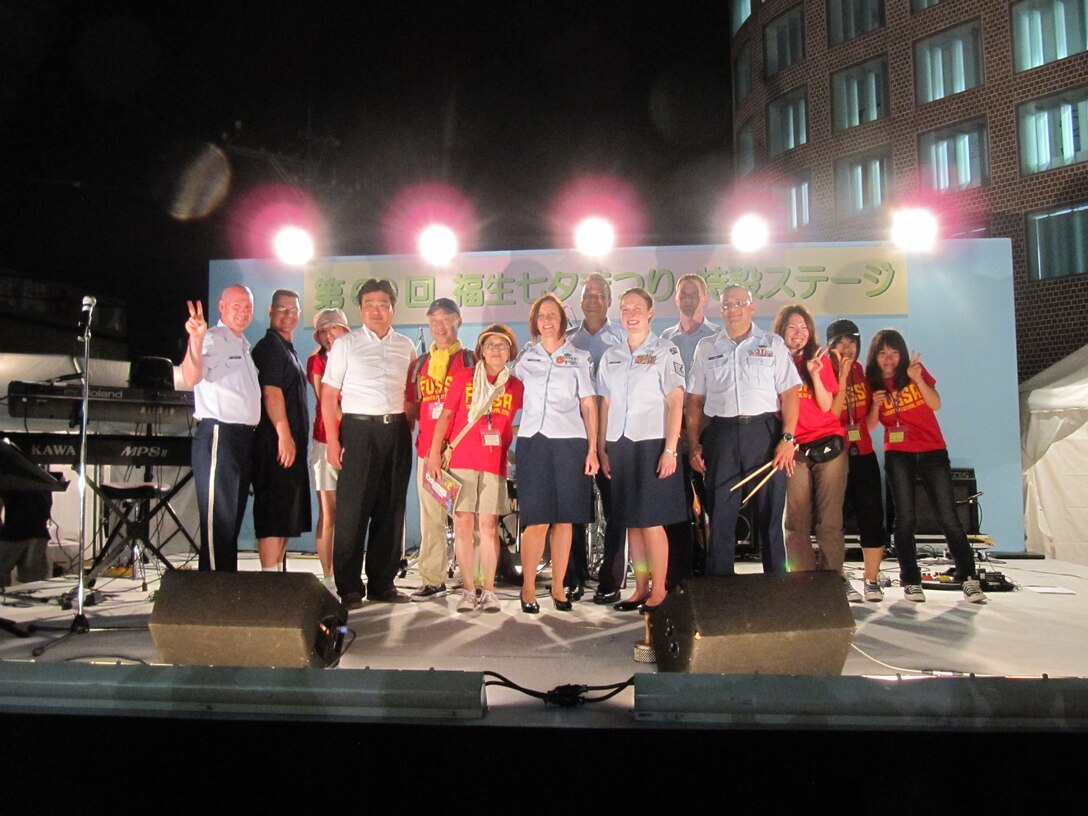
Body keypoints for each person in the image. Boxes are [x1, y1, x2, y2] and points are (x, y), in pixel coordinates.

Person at [685, 285, 800, 575]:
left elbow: (790, 395)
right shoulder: (707, 347)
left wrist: (787, 438)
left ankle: (777, 592)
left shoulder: (772, 344)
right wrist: (695, 444)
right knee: (721, 519)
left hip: (764, 434)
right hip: (721, 436)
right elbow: (695, 402)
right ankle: (721, 594)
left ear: (752, 307)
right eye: (726, 304)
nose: (732, 309)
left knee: (770, 520)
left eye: (739, 303)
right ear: (720, 309)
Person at [866, 329, 987, 603]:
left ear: (902, 354)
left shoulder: (914, 371)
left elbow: (936, 403)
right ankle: (911, 581)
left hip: (932, 450)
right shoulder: (871, 382)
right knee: (905, 518)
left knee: (948, 517)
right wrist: (874, 406)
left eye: (894, 352)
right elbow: (871, 426)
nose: (889, 358)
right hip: (898, 453)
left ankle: (969, 578)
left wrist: (918, 378)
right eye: (883, 353)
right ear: (875, 355)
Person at [321, 279, 416, 608]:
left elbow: (411, 393)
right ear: (360, 309)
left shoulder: (405, 345)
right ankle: (348, 587)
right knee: (352, 511)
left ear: (393, 308)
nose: (377, 310)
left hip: (396, 431)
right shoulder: (346, 345)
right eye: (370, 304)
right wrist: (334, 442)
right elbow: (329, 393)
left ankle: (382, 582)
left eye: (383, 304)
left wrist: (409, 425)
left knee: (391, 510)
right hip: (359, 431)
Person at [598, 288, 686, 613]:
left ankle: (659, 589)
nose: (630, 313)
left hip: (652, 443)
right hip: (619, 444)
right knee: (631, 521)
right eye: (625, 309)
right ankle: (640, 586)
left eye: (637, 308)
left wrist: (671, 450)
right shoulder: (612, 355)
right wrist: (602, 448)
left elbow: (676, 401)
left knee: (651, 521)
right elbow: (605, 403)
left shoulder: (666, 350)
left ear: (650, 313)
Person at [426, 325, 523, 614]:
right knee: (463, 526)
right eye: (490, 345)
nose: (496, 350)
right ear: (480, 350)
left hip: (494, 464)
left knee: (489, 528)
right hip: (461, 461)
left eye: (502, 345)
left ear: (510, 351)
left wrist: (510, 435)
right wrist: (433, 455)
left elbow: (519, 421)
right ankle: (469, 589)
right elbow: (444, 417)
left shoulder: (515, 385)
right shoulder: (464, 377)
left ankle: (489, 590)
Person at [513, 293, 598, 613]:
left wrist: (592, 449)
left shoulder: (579, 357)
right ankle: (529, 588)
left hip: (570, 444)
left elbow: (589, 404)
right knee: (536, 521)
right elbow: (507, 395)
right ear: (535, 323)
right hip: (534, 444)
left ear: (562, 320)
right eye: (541, 316)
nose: (547, 320)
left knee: (565, 521)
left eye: (552, 315)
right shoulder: (526, 358)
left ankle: (560, 587)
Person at [773, 304, 853, 599]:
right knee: (795, 522)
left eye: (804, 328)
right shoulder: (772, 359)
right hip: (793, 449)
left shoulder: (820, 358)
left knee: (829, 520)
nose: (798, 334)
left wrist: (815, 374)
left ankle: (832, 583)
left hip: (828, 445)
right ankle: (803, 585)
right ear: (781, 330)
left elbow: (825, 406)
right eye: (792, 327)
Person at [182, 285, 261, 572]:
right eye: (237, 306)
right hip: (219, 436)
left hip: (242, 439)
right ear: (221, 307)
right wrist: (195, 339)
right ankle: (215, 595)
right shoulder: (212, 338)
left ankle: (224, 591)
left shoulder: (241, 343)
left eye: (248, 307)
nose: (243, 312)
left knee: (231, 521)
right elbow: (191, 376)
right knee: (219, 523)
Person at [408, 298, 475, 601]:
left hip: (461, 451)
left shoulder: (472, 360)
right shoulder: (421, 364)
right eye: (433, 320)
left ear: (458, 321)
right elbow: (413, 406)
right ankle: (432, 580)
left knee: (466, 519)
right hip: (429, 453)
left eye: (446, 319)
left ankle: (472, 580)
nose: (439, 325)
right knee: (431, 519)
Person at [566, 273, 627, 603]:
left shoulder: (623, 339)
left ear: (609, 301)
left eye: (599, 294)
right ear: (580, 301)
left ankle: (611, 578)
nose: (592, 299)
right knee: (574, 509)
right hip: (575, 437)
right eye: (587, 294)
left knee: (616, 509)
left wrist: (602, 442)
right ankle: (573, 576)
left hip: (614, 438)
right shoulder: (568, 342)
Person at [660, 273, 718, 583]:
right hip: (674, 434)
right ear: (676, 299)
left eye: (694, 292)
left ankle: (713, 570)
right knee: (678, 508)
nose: (688, 298)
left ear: (705, 297)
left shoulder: (718, 338)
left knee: (713, 504)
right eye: (683, 293)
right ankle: (680, 574)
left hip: (709, 432)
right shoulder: (665, 340)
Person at [251, 289, 312, 571]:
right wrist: (283, 436)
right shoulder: (269, 348)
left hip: (291, 445)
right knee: (273, 512)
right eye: (282, 309)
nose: (288, 315)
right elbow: (271, 393)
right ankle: (268, 580)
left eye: (293, 310)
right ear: (270, 311)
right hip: (275, 444)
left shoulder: (287, 348)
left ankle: (276, 577)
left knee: (286, 512)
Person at [827, 319, 887, 602]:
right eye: (840, 343)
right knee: (834, 520)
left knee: (872, 517)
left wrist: (875, 406)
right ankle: (839, 578)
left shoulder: (863, 372)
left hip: (863, 454)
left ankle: (871, 579)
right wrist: (840, 379)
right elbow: (829, 416)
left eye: (851, 343)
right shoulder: (824, 373)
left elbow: (868, 424)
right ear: (830, 347)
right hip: (835, 457)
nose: (847, 348)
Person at [307, 307, 351, 588]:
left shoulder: (354, 355)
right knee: (329, 510)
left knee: (351, 512)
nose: (329, 335)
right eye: (324, 331)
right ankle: (329, 576)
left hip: (354, 443)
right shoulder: (316, 361)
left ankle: (347, 573)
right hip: (327, 442)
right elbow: (328, 402)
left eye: (334, 328)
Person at [0, 491, 51, 586]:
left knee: (2, 571)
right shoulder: (44, 477)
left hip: (15, 530)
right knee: (33, 579)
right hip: (37, 530)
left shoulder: (11, 478)